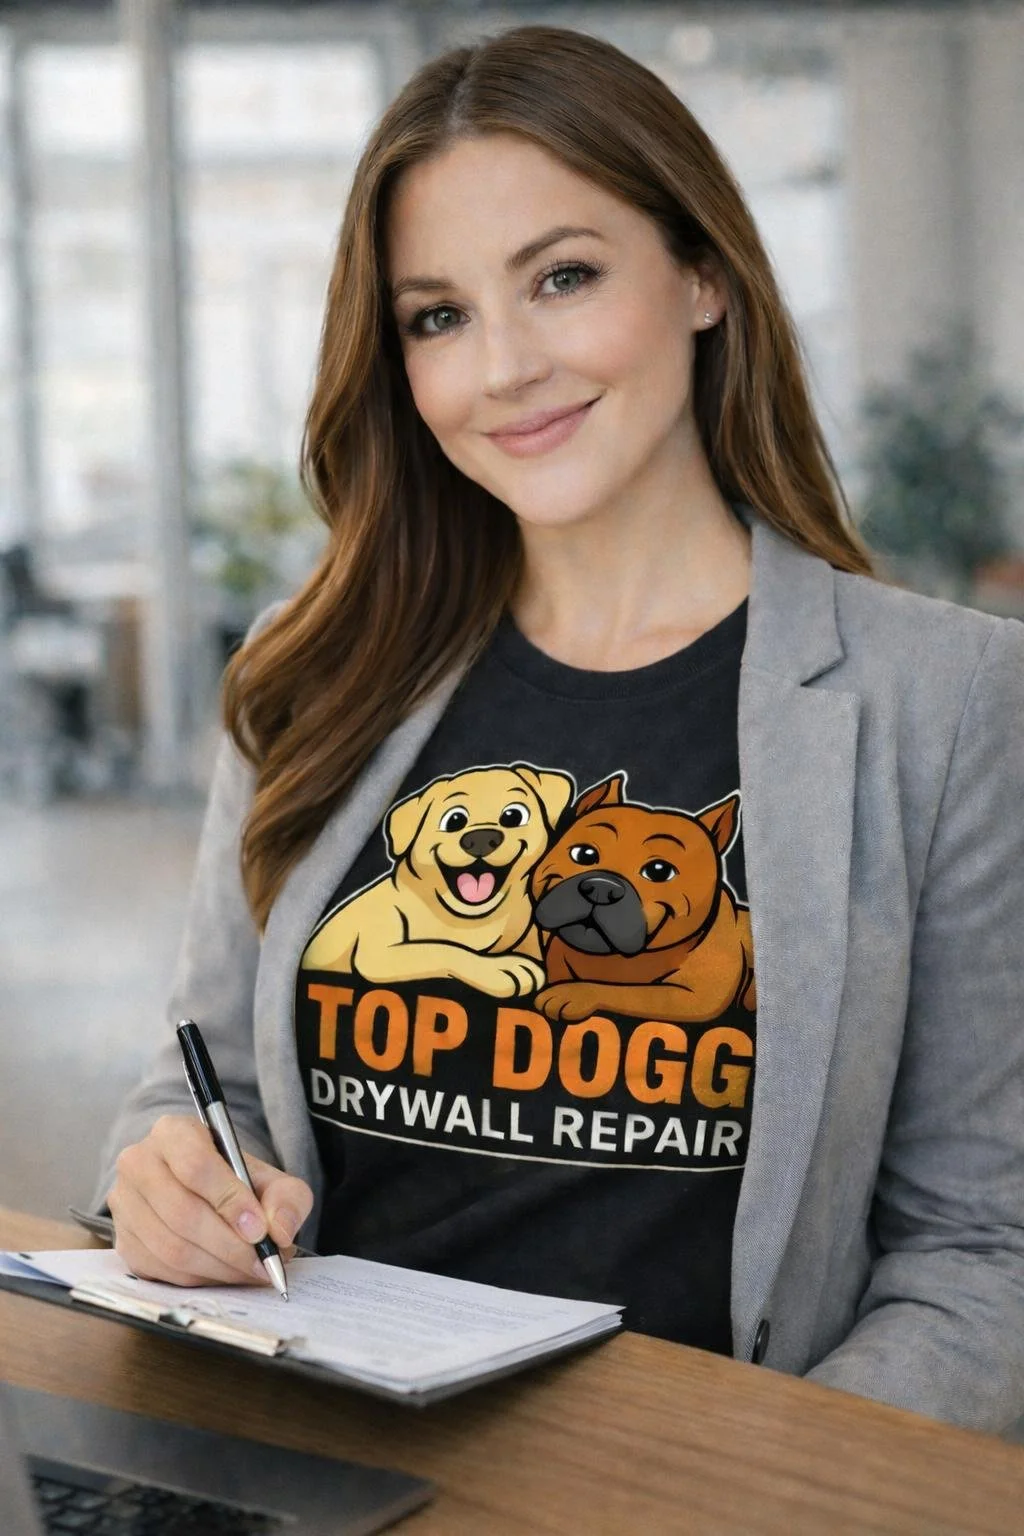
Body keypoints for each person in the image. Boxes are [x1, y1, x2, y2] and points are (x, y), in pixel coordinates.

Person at [96, 26, 1024, 1431]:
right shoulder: (311, 672)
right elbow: (201, 1081)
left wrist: (751, 1505)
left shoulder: (944, 704)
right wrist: (161, 1185)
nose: (506, 366)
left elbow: (981, 1254)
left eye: (564, 277)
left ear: (703, 273)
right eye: (439, 316)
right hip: (316, 1463)